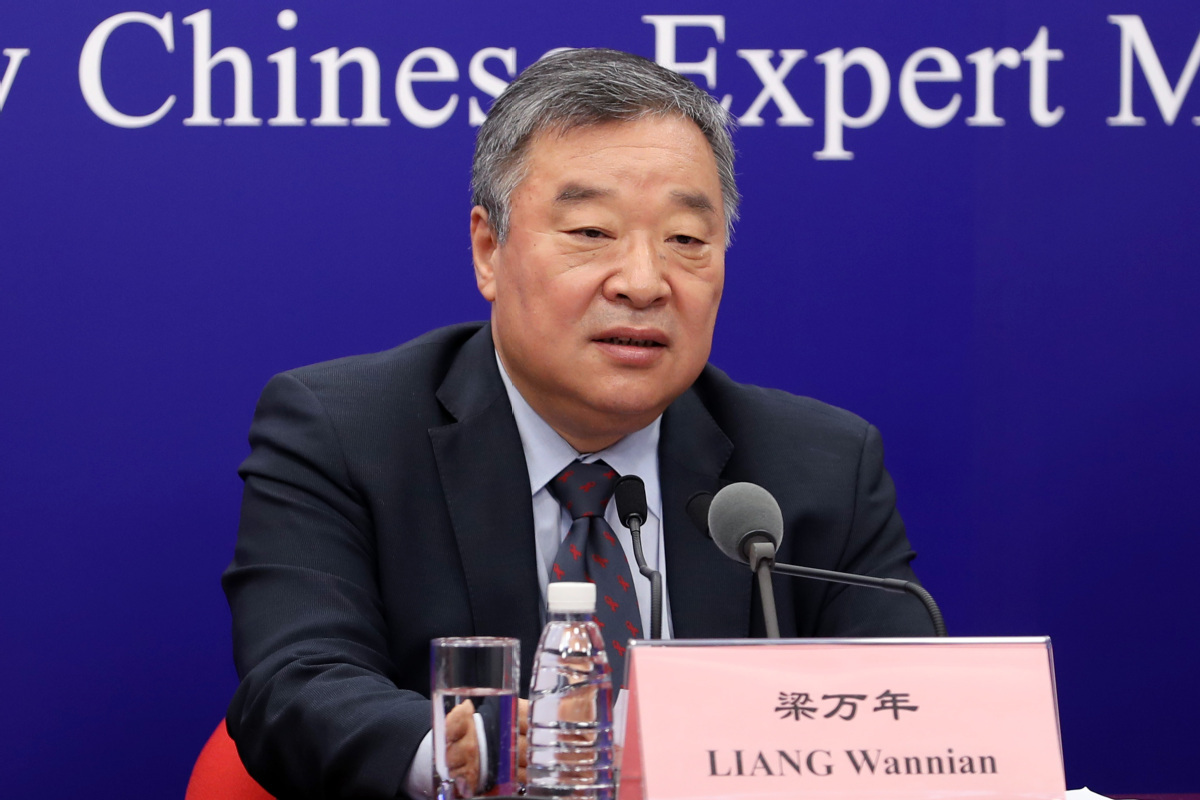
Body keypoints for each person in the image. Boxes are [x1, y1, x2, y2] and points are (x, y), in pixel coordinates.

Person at [223, 48, 935, 800]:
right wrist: (471, 751)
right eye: (592, 232)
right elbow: (294, 685)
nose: (643, 282)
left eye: (686, 240)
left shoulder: (819, 465)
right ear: (489, 250)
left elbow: (908, 711)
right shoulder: (345, 433)